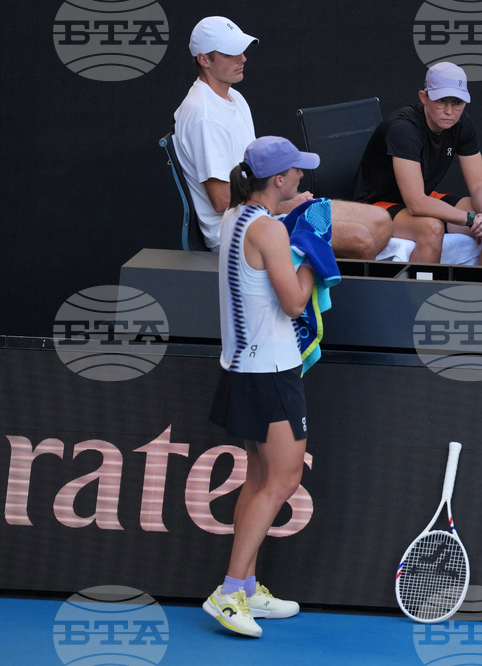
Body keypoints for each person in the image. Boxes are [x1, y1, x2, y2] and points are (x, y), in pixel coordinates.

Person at [204, 136, 319, 638]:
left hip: (243, 371)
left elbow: (268, 231)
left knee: (258, 478)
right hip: (271, 372)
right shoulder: (269, 230)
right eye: (296, 172)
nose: (301, 177)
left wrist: (295, 212)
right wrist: (313, 257)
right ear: (278, 179)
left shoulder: (235, 216)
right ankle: (228, 592)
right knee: (284, 481)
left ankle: (246, 587)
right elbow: (295, 303)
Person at [174, 16, 390, 258]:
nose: (243, 58)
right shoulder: (203, 114)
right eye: (231, 53)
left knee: (380, 221)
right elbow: (222, 199)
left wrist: (288, 197)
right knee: (360, 239)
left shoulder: (235, 97)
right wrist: (282, 203)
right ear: (204, 59)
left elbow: (251, 176)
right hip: (240, 230)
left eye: (242, 51)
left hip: (267, 211)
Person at [352, 62, 482, 266]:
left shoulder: (462, 124)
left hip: (421, 197)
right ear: (424, 97)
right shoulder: (403, 128)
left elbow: (480, 185)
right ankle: (420, 297)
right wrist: (472, 220)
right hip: (376, 206)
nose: (449, 111)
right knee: (432, 227)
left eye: (457, 102)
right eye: (441, 101)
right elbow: (416, 203)